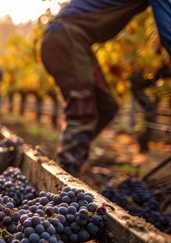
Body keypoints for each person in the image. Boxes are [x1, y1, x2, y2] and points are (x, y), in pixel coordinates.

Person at [40, 0, 171, 177]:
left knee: (106, 107)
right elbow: (168, 33)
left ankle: (73, 159)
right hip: (66, 36)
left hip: (73, 40)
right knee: (82, 113)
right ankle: (62, 181)